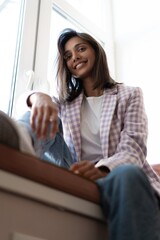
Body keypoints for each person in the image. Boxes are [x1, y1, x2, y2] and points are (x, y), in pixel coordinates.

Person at [0, 28, 160, 240]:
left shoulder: (129, 95)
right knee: (46, 113)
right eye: (68, 56)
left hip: (116, 174)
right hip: (75, 170)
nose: (74, 57)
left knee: (128, 173)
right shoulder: (65, 103)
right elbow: (26, 105)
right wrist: (39, 97)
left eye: (81, 49)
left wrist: (102, 169)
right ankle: (19, 140)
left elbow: (134, 150)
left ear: (96, 52)